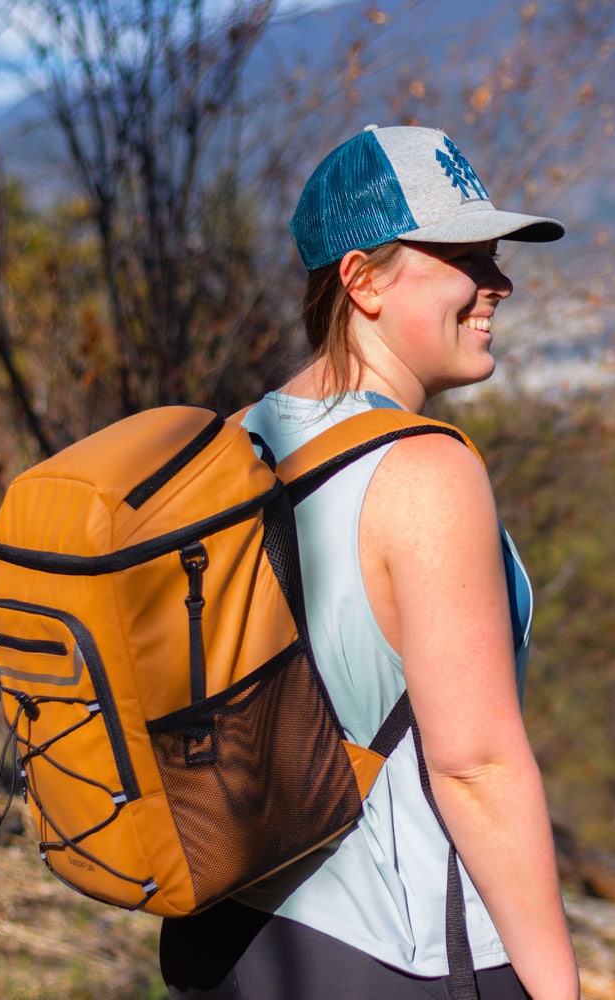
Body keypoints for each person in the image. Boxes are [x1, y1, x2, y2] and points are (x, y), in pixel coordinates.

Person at [158, 125, 579, 1000]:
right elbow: (475, 767)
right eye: (464, 256)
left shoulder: (234, 443)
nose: (498, 282)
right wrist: (557, 987)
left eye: (494, 256)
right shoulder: (428, 471)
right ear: (362, 281)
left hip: (231, 940)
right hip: (400, 955)